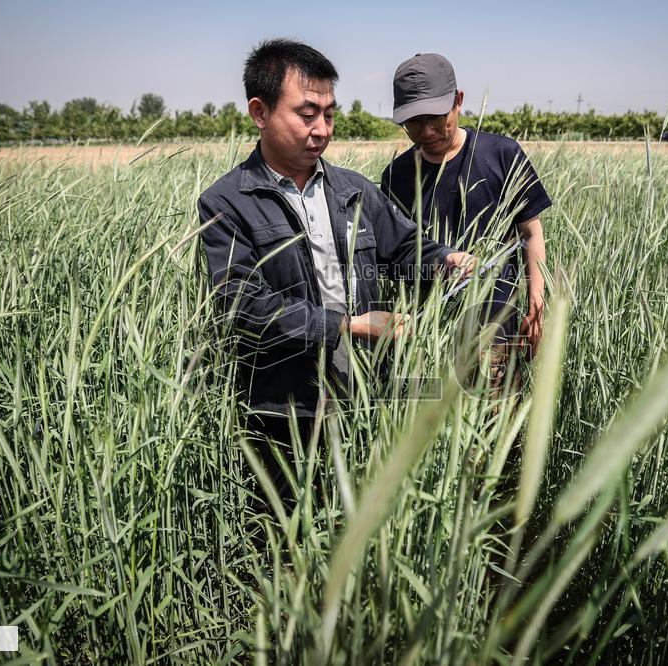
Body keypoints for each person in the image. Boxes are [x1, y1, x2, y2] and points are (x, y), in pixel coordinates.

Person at [197, 40, 474, 507]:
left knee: (369, 512)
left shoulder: (354, 189)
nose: (322, 129)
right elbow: (242, 304)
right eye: (307, 114)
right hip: (287, 407)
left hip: (366, 390)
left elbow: (404, 246)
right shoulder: (227, 202)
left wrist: (445, 260)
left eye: (329, 114)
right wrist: (347, 327)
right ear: (259, 112)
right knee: (290, 530)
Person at [381, 53, 552, 380]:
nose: (428, 131)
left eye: (436, 117)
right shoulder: (397, 176)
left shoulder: (502, 155)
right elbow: (393, 252)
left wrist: (536, 304)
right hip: (426, 335)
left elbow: (531, 233)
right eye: (414, 122)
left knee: (494, 419)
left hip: (496, 326)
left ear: (458, 101)